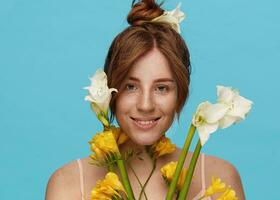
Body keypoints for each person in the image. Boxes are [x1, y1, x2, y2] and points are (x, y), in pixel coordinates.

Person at [46, 0, 246, 199]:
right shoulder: (68, 184)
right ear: (110, 91)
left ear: (180, 94)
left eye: (161, 88)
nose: (145, 105)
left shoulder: (221, 177)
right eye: (130, 87)